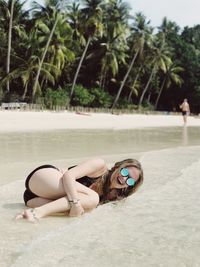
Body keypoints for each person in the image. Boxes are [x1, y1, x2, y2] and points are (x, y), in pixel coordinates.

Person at [15, 158, 143, 222]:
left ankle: (31, 213)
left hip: (32, 198)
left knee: (85, 211)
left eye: (130, 180)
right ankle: (38, 213)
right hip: (45, 178)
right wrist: (75, 204)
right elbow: (69, 175)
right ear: (117, 167)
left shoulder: (112, 195)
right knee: (92, 199)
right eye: (125, 171)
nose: (124, 178)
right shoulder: (100, 166)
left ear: (128, 187)